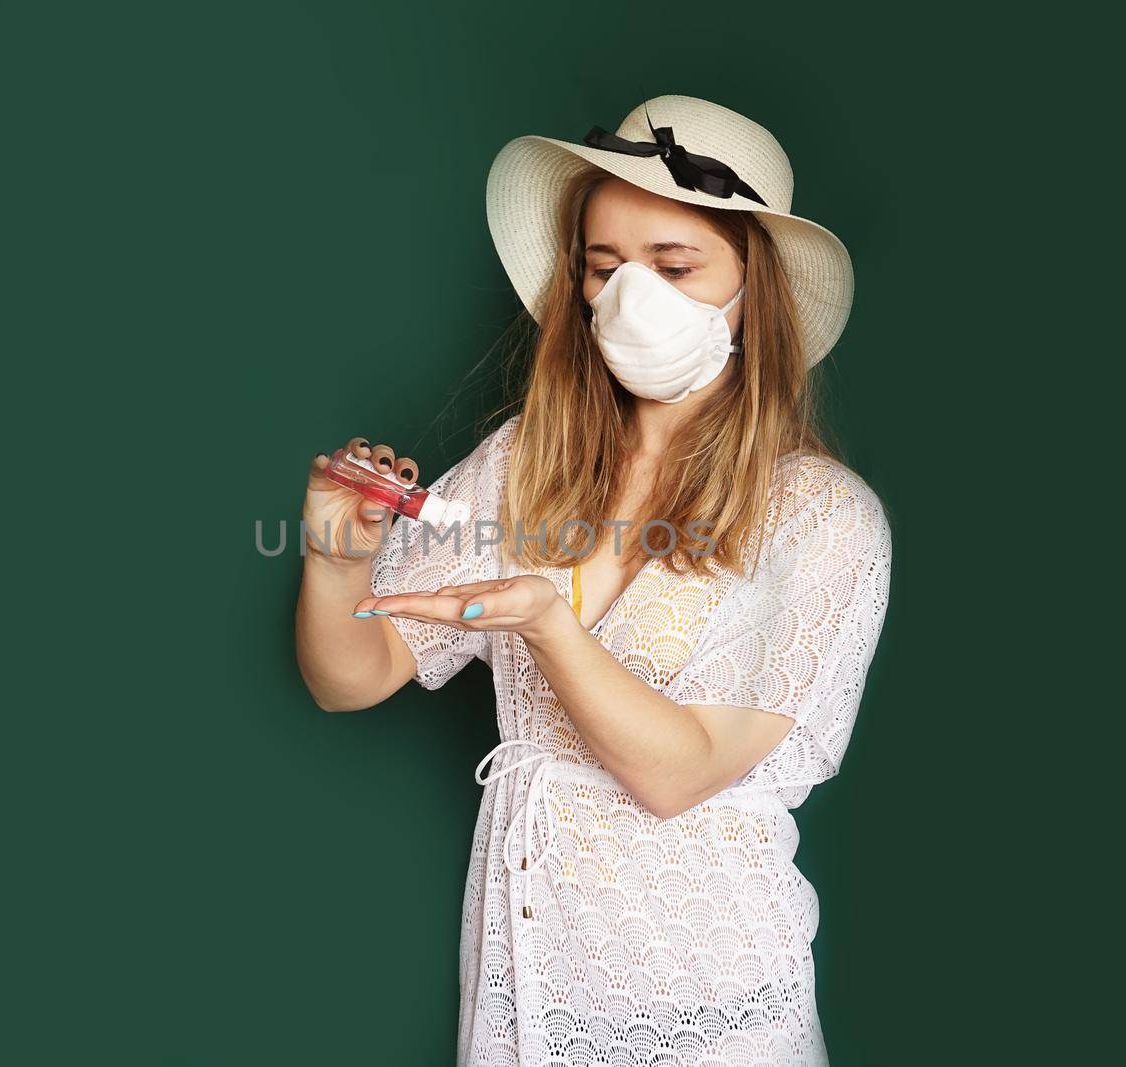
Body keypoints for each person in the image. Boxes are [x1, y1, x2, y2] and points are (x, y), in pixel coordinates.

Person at [295, 94, 892, 1067]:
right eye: (605, 267)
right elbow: (349, 673)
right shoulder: (527, 462)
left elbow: (678, 770)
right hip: (524, 990)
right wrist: (335, 555)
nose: (631, 297)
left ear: (756, 283)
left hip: (708, 1007)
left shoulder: (821, 515)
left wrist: (544, 620)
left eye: (674, 264)